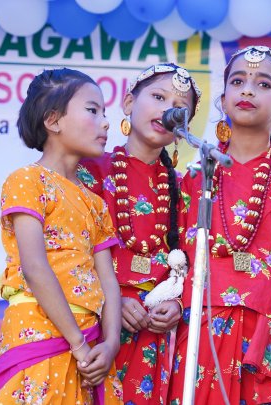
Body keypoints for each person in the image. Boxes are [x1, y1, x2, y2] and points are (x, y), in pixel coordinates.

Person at [168, 46, 271, 404]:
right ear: (223, 99)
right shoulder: (197, 175)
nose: (248, 90)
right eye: (237, 82)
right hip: (200, 331)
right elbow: (177, 258)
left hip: (268, 337)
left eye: (263, 84)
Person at [0, 68, 123, 404]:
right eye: (93, 110)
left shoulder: (95, 203)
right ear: (53, 121)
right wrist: (78, 343)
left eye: (104, 113)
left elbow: (108, 280)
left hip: (89, 348)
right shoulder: (27, 180)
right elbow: (35, 268)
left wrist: (110, 344)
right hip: (40, 333)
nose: (106, 123)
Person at [77, 63, 201, 404]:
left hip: (152, 334)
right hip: (94, 327)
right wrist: (111, 301)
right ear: (129, 103)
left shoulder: (185, 188)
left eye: (179, 107)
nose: (167, 110)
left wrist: (176, 304)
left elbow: (191, 264)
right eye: (158, 97)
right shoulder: (90, 171)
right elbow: (70, 254)